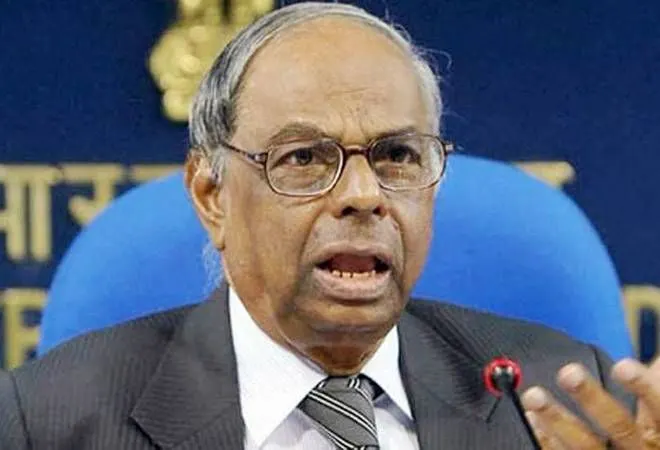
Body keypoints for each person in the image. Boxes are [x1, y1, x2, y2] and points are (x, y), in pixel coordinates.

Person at [1, 2, 659, 449]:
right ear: (211, 195)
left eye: (398, 155)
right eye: (305, 159)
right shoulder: (48, 424)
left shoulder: (570, 405)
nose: (364, 196)